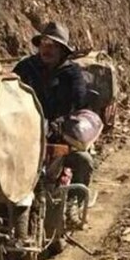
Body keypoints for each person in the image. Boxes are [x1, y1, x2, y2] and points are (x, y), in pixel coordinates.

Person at [14, 20, 93, 188]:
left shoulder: (72, 73)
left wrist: (60, 123)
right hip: (25, 130)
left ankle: (75, 197)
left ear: (62, 50)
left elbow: (79, 103)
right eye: (44, 43)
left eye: (53, 45)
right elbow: (11, 91)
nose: (47, 49)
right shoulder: (26, 67)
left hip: (59, 133)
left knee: (83, 160)